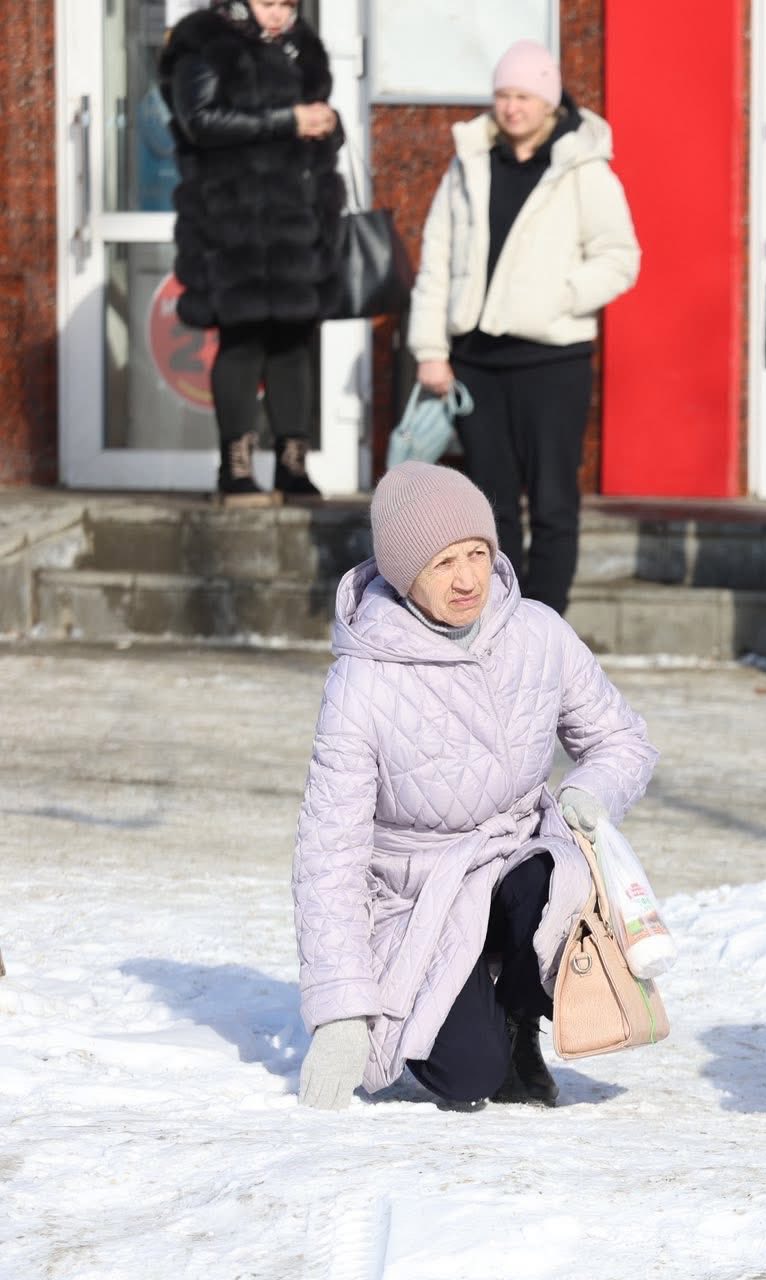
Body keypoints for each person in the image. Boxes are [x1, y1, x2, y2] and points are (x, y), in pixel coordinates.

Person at [291, 462, 657, 1111]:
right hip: (419, 898)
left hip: (517, 862)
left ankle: (520, 1015)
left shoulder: (538, 632)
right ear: (404, 574)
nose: (467, 580)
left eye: (477, 554)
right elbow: (330, 856)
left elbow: (621, 740)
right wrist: (340, 1011)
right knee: (469, 1077)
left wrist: (592, 793)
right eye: (443, 563)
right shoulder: (362, 682)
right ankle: (477, 1026)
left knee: (554, 879)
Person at [409, 40, 640, 616]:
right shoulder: (469, 162)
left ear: (549, 101)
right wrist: (430, 349)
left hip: (553, 360)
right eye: (503, 95)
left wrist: (558, 299)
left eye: (524, 97)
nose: (511, 108)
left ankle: (545, 626)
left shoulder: (582, 166)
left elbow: (620, 257)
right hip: (476, 361)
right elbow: (437, 259)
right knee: (489, 510)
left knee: (553, 501)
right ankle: (499, 625)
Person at [160, 0, 342, 504]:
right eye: (268, 3)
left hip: (294, 223)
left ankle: (292, 465)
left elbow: (307, 126)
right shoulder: (204, 40)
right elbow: (199, 121)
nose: (279, 14)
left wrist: (327, 124)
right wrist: (288, 120)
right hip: (232, 223)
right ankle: (235, 467)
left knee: (292, 342)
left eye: (287, 4)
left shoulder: (301, 45)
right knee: (241, 340)